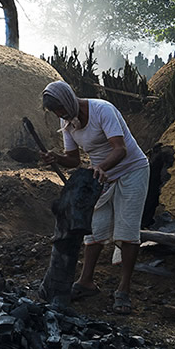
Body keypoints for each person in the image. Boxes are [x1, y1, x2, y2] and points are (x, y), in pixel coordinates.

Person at [40, 80, 149, 314]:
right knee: (94, 229)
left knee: (127, 230)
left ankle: (124, 290)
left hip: (132, 171)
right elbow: (74, 159)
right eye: (56, 111)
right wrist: (55, 158)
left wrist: (102, 167)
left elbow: (120, 149)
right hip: (101, 176)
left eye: (60, 108)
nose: (60, 114)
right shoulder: (67, 122)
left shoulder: (102, 110)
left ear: (68, 99)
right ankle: (86, 282)